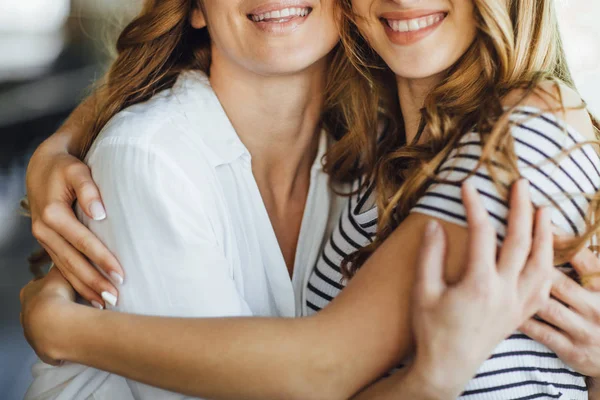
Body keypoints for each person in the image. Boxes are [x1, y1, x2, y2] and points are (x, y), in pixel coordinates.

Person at [20, 0, 600, 398]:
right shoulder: (368, 161)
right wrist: (67, 139)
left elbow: (324, 365)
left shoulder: (526, 129)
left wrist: (65, 332)